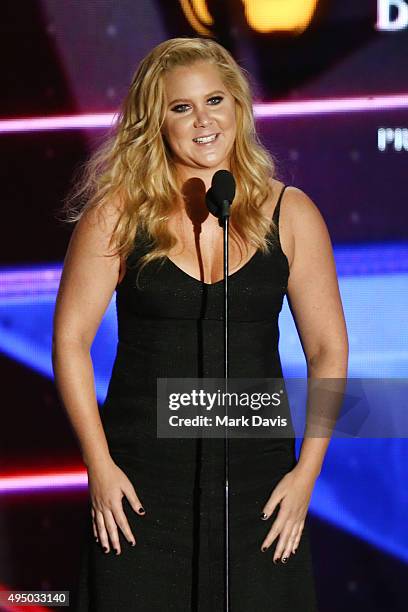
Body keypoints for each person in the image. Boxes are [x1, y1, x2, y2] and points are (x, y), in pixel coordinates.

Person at [52, 36, 348, 611]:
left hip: (259, 486)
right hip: (140, 488)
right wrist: (100, 466)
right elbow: (69, 341)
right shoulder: (117, 214)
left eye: (215, 100)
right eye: (180, 107)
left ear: (238, 106)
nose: (202, 120)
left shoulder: (292, 213)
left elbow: (328, 351)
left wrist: (306, 474)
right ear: (155, 122)